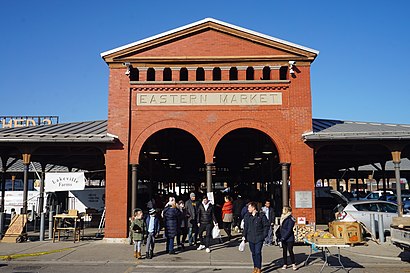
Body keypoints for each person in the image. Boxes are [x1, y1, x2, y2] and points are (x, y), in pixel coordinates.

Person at [243, 201, 270, 273]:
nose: (248, 209)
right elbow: (246, 227)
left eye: (249, 207)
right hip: (250, 237)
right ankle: (255, 267)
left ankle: (259, 268)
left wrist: (264, 235)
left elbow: (266, 225)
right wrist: (244, 236)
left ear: (253, 208)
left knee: (258, 252)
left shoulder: (261, 215)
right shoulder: (247, 216)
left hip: (259, 237)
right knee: (253, 253)